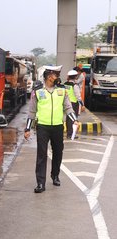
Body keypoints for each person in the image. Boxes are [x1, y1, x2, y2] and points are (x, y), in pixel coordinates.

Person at [24, 65, 78, 193]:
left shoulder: (62, 90)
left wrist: (74, 119)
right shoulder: (37, 91)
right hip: (42, 127)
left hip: (58, 127)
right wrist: (27, 129)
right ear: (49, 77)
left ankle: (55, 175)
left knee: (58, 152)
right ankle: (40, 183)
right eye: (56, 75)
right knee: (41, 155)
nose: (58, 77)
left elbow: (68, 107)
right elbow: (32, 112)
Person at [64, 69, 83, 139]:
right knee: (73, 119)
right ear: (75, 77)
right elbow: (78, 96)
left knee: (68, 119)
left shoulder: (65, 84)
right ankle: (71, 134)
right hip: (73, 103)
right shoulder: (74, 85)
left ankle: (69, 133)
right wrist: (82, 104)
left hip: (67, 103)